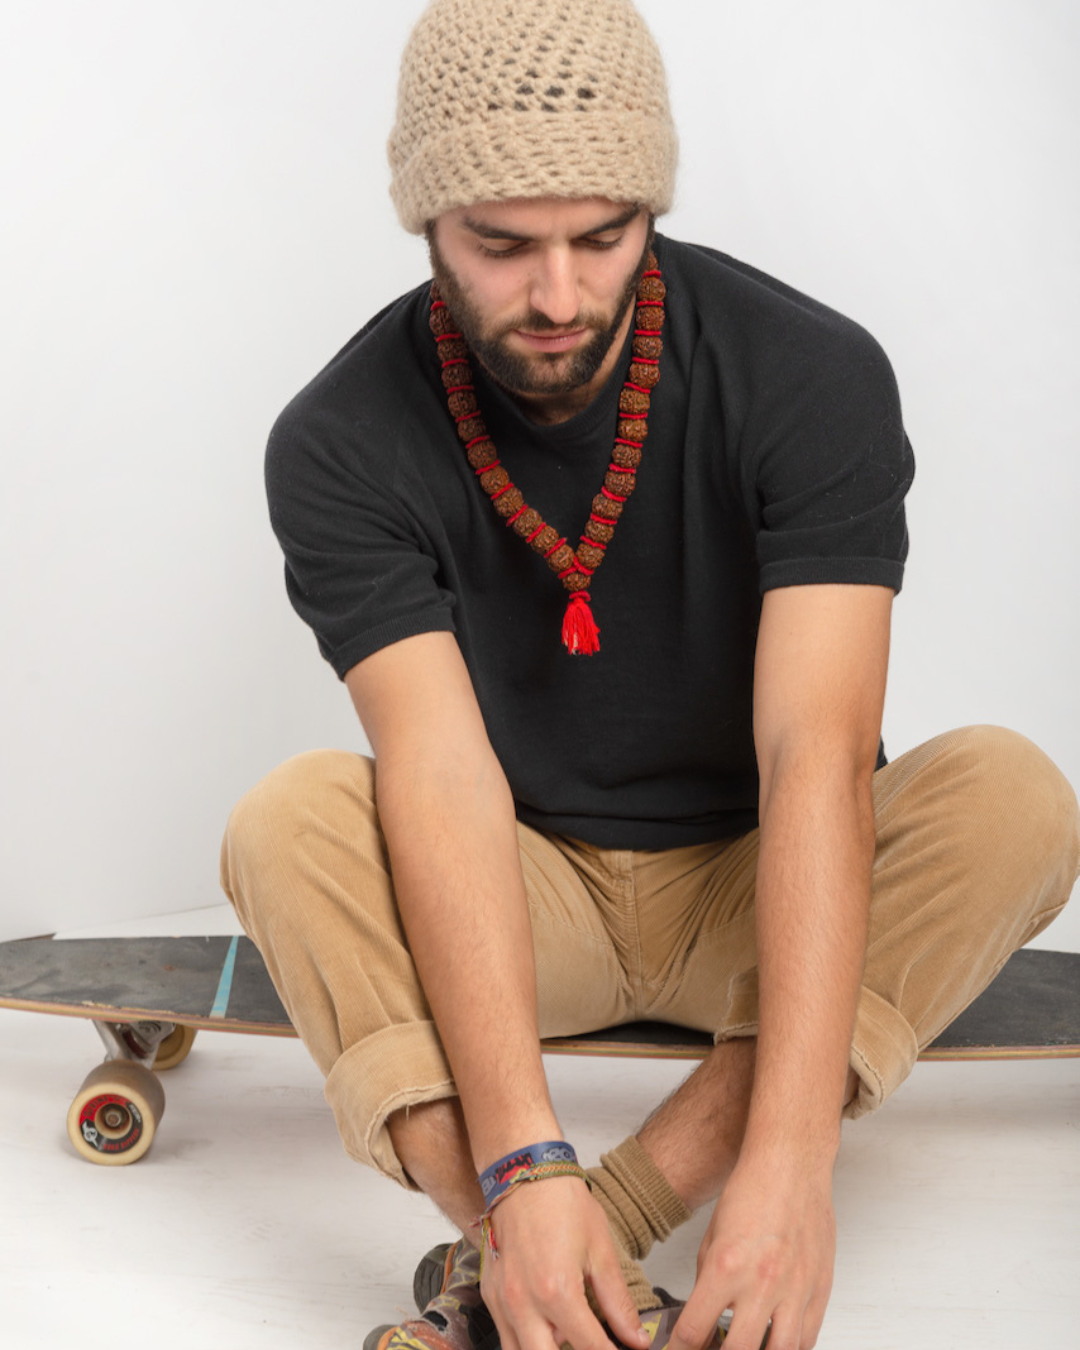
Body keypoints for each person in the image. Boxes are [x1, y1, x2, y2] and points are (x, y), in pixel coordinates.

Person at [219, 2, 1080, 1349]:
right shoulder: (338, 438)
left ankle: (571, 1250)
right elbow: (439, 777)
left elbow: (815, 753)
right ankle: (534, 1233)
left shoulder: (812, 373)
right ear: (427, 220)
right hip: (520, 897)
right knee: (288, 822)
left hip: (762, 886)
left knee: (1012, 796)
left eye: (604, 235)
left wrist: (790, 1165)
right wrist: (522, 1157)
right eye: (503, 245)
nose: (560, 297)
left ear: (651, 208)